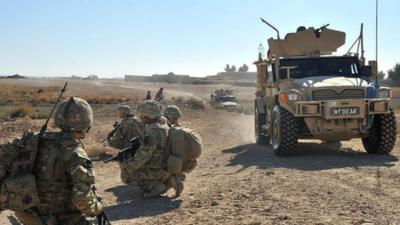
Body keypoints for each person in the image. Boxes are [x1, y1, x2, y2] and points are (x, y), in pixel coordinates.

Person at [15, 97, 103, 225]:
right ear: (86, 123)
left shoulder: (37, 141)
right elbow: (83, 201)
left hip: (29, 217)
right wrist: (98, 207)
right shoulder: (74, 153)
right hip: (57, 220)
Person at [121, 100, 181, 198]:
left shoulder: (153, 131)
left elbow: (143, 155)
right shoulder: (164, 123)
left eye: (141, 115)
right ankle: (170, 179)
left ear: (147, 116)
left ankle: (155, 186)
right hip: (168, 165)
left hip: (159, 169)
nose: (140, 117)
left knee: (127, 174)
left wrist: (128, 165)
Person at [107, 105, 144, 184]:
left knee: (125, 167)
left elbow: (116, 141)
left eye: (120, 112)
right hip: (140, 147)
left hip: (129, 148)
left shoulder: (124, 124)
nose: (119, 114)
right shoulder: (138, 120)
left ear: (124, 113)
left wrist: (110, 142)